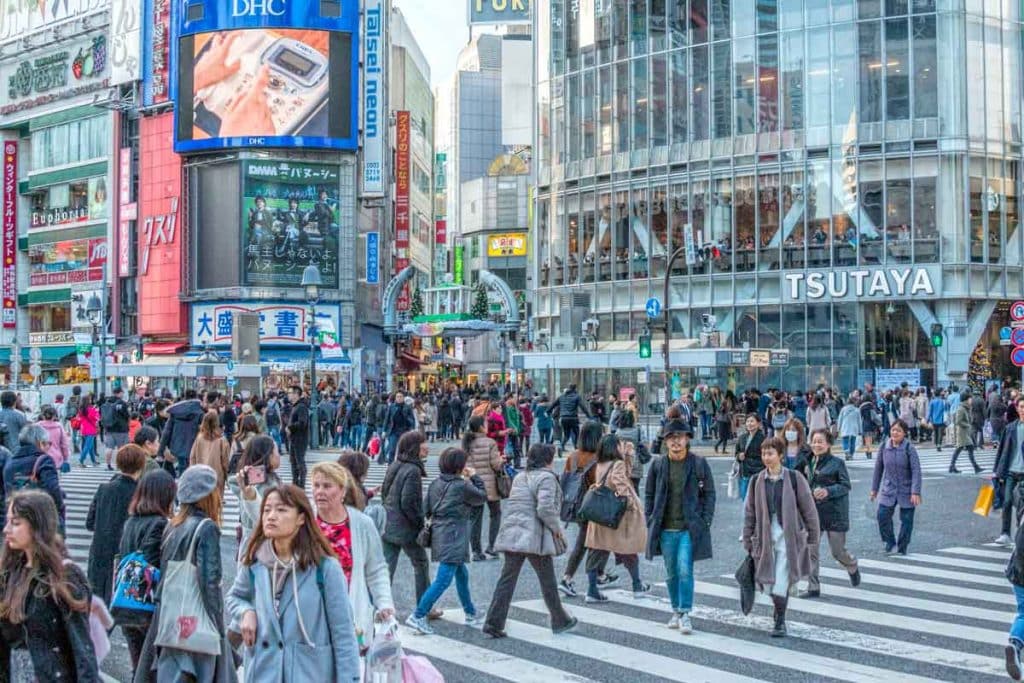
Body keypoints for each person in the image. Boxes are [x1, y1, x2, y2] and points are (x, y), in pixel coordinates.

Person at [227, 484, 360, 682]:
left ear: (301, 518)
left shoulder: (325, 568)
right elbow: (235, 597)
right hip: (263, 672)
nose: (271, 516)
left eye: (281, 510)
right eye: (266, 510)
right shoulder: (255, 561)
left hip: (310, 672)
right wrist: (246, 612)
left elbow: (344, 635)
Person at [134, 464, 229, 683]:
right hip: (196, 617)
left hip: (169, 616)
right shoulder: (206, 527)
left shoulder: (173, 525)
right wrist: (218, 624)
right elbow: (210, 582)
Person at [0, 490, 99, 680]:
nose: (6, 529)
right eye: (8, 521)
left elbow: (82, 648)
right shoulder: (10, 573)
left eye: (16, 523)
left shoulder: (64, 576)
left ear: (37, 526)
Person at [484, 443, 577, 638]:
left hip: (513, 531)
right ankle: (559, 618)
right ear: (547, 460)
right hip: (534, 535)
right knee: (548, 580)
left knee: (507, 579)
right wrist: (556, 528)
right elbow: (545, 508)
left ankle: (493, 621)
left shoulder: (520, 476)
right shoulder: (546, 478)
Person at [742, 436, 821, 637]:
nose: (766, 458)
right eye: (763, 453)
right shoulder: (757, 480)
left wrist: (812, 537)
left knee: (781, 582)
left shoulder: (794, 479)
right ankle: (778, 609)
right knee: (768, 583)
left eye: (770, 453)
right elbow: (750, 511)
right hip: (765, 537)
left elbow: (809, 510)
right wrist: (747, 536)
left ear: (780, 455)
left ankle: (780, 620)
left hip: (789, 538)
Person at [310, 462, 394, 649]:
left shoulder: (362, 524)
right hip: (311, 615)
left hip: (350, 613)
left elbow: (377, 568)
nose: (320, 491)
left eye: (327, 486)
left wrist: (384, 602)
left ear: (342, 491)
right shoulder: (305, 521)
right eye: (316, 485)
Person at [644, 420, 716, 635]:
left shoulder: (698, 463)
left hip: (688, 527)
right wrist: (650, 517)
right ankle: (675, 609)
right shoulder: (658, 465)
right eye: (671, 437)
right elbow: (649, 494)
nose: (675, 441)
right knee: (671, 572)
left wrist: (705, 520)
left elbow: (709, 494)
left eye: (680, 437)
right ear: (665, 441)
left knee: (685, 569)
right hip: (665, 527)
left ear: (687, 439)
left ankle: (685, 612)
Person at [404, 447, 486, 635]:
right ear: (459, 466)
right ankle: (418, 615)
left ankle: (470, 611)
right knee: (443, 579)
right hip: (455, 534)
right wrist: (474, 477)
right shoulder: (462, 486)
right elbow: (481, 497)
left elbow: (426, 509)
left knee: (461, 574)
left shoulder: (435, 483)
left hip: (440, 533)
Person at [118, 470, 177, 669]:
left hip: (127, 602)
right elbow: (152, 566)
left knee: (138, 666)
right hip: (148, 606)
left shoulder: (130, 522)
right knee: (152, 669)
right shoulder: (160, 524)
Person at [583, 434, 650, 603]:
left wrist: (628, 455)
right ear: (614, 447)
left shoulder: (601, 464)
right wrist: (631, 503)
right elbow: (621, 481)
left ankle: (592, 589)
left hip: (601, 514)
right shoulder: (616, 464)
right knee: (628, 549)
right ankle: (637, 585)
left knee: (596, 550)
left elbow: (623, 473)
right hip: (616, 516)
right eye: (620, 445)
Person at [795, 429, 860, 598]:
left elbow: (846, 486)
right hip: (812, 513)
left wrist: (828, 491)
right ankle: (813, 586)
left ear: (829, 444)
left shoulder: (837, 463)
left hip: (834, 512)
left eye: (820, 442)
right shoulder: (806, 460)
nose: (816, 445)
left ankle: (852, 565)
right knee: (811, 550)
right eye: (814, 441)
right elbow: (795, 476)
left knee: (837, 552)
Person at [380, 431, 435, 615]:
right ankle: (424, 606)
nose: (427, 446)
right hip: (406, 528)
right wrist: (421, 523)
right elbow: (409, 503)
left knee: (386, 568)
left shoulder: (396, 464)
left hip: (388, 523)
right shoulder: (413, 471)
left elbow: (384, 493)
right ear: (415, 447)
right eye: (424, 443)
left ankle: (378, 606)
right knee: (420, 563)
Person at [86, 444, 146, 604]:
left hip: (99, 552)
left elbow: (89, 523)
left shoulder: (104, 489)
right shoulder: (141, 494)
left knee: (97, 605)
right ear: (141, 464)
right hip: (127, 555)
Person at [559, 421, 611, 598]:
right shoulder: (599, 458)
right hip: (595, 505)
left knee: (584, 542)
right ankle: (590, 579)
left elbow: (565, 480)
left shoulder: (573, 456)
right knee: (597, 542)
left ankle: (576, 576)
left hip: (575, 505)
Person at [870, 419, 923, 555]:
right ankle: (890, 542)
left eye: (898, 430)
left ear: (904, 433)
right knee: (882, 516)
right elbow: (878, 469)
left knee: (906, 521)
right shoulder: (884, 447)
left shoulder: (909, 448)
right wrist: (874, 489)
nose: (895, 432)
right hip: (889, 489)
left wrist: (915, 492)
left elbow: (916, 470)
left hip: (907, 489)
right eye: (893, 430)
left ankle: (902, 547)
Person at [4, 424, 65, 527]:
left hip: (18, 518)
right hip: (40, 517)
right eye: (47, 444)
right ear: (39, 443)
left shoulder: (10, 463)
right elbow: (53, 488)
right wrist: (60, 508)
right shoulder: (44, 460)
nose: (48, 447)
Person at [231, 435, 284, 552]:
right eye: (276, 451)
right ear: (268, 456)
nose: (279, 455)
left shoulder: (255, 482)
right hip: (261, 547)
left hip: (251, 544)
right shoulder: (264, 486)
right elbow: (262, 518)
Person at [462, 415, 504, 561]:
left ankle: (476, 551)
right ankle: (492, 546)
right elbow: (496, 465)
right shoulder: (490, 443)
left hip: (473, 484)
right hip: (490, 484)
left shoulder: (467, 443)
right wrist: (502, 460)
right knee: (495, 514)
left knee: (475, 518)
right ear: (481, 427)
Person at [158, 390, 205, 477]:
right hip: (194, 446)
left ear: (184, 398)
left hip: (177, 448)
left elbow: (166, 432)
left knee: (182, 474)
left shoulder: (175, 412)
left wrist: (160, 451)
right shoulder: (201, 412)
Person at [997, 397, 1024, 545]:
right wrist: (998, 472)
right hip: (1011, 472)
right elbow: (1002, 451)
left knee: (1022, 506)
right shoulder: (1010, 428)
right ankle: (1005, 533)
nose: (1023, 409)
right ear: (1017, 408)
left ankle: (1020, 535)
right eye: (1021, 406)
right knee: (1007, 501)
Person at [190, 410, 231, 491]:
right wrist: (226, 475)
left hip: (201, 474)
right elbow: (225, 461)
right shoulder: (222, 440)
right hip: (217, 476)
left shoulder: (199, 438)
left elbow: (192, 457)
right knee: (217, 500)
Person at [735, 413, 766, 501]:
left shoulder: (763, 438)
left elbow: (765, 455)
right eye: (747, 421)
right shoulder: (742, 438)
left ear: (758, 423)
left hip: (757, 472)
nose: (749, 423)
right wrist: (738, 456)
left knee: (757, 500)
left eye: (752, 421)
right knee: (745, 499)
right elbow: (737, 452)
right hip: (744, 472)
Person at [950, 390, 982, 474]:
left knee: (964, 449)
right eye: (970, 398)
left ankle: (975, 467)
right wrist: (968, 425)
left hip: (966, 433)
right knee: (960, 449)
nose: (971, 400)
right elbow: (958, 421)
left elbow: (969, 419)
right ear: (966, 400)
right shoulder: (961, 409)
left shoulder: (966, 408)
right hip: (962, 433)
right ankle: (975, 467)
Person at [100, 386, 131, 471]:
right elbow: (127, 416)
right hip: (121, 429)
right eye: (122, 392)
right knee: (121, 448)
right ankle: (119, 465)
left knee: (109, 448)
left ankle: (108, 465)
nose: (123, 394)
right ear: (119, 393)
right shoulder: (122, 403)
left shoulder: (107, 402)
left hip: (109, 429)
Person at [553, 384, 589, 453]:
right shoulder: (577, 397)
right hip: (573, 418)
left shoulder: (561, 396)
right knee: (576, 433)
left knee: (566, 434)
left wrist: (547, 411)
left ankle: (561, 446)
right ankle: (576, 447)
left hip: (563, 418)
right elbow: (583, 407)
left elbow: (553, 404)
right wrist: (588, 416)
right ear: (575, 389)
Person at [286, 386, 310, 488]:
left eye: (290, 393)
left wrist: (290, 427)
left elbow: (302, 422)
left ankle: (301, 484)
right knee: (293, 461)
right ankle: (295, 482)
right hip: (294, 438)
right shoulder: (296, 406)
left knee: (299, 461)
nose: (288, 395)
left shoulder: (301, 407)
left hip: (300, 438)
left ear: (296, 394)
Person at [36, 405, 71, 473]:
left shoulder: (37, 426)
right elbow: (64, 444)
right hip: (56, 458)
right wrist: (65, 457)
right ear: (54, 416)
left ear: (43, 416)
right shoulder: (59, 426)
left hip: (39, 458)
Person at [836, 397, 861, 461]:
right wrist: (860, 430)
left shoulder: (843, 409)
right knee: (853, 442)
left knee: (845, 441)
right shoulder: (857, 410)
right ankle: (851, 454)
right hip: (854, 428)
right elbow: (859, 421)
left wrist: (838, 429)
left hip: (845, 427)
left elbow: (840, 419)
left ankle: (846, 452)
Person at [78, 395, 101, 467]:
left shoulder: (81, 409)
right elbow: (96, 418)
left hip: (84, 429)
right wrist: (96, 411)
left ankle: (93, 461)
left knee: (90, 446)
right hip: (91, 429)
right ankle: (81, 460)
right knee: (88, 446)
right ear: (88, 400)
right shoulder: (91, 409)